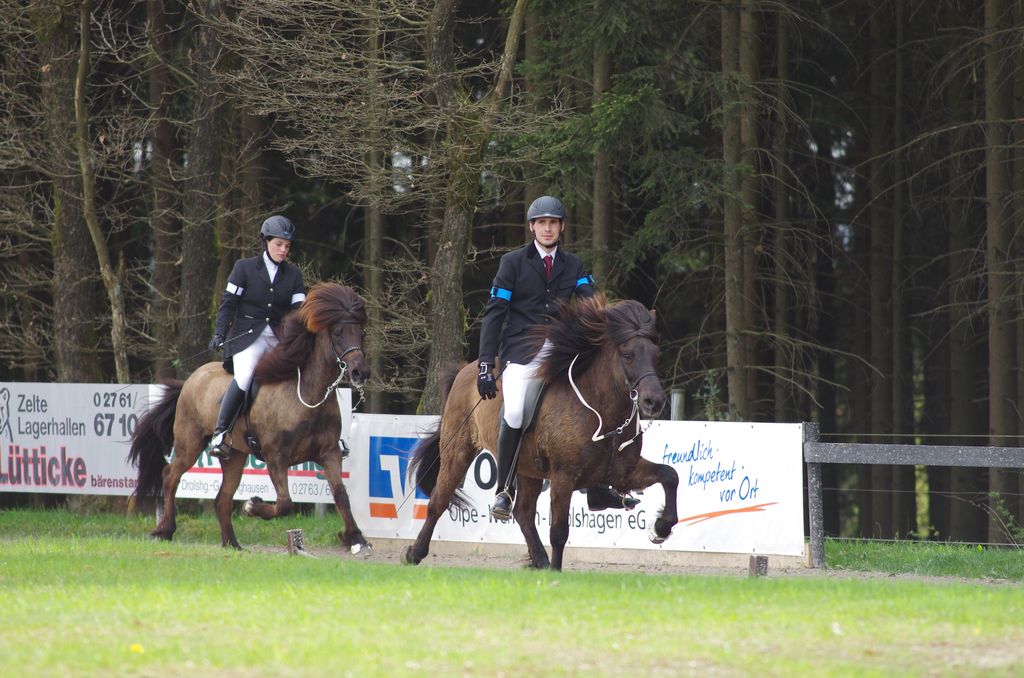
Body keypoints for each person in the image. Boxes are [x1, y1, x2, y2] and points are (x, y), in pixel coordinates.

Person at [477, 195, 638, 521]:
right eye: (542, 223)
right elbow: (495, 314)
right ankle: (504, 490)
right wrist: (484, 365)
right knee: (515, 411)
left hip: (561, 351)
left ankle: (598, 487)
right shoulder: (512, 263)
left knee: (596, 399)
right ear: (532, 227)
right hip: (521, 352)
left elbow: (592, 301)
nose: (547, 228)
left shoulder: (573, 265)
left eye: (553, 223)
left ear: (561, 227)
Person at [203, 215, 306, 459]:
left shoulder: (293, 275)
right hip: (248, 337)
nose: (283, 250)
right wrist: (219, 332)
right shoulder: (244, 268)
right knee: (246, 375)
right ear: (266, 241)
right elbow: (228, 303)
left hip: (279, 338)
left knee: (306, 373)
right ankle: (220, 433)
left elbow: (299, 311)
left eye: (287, 246)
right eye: (279, 244)